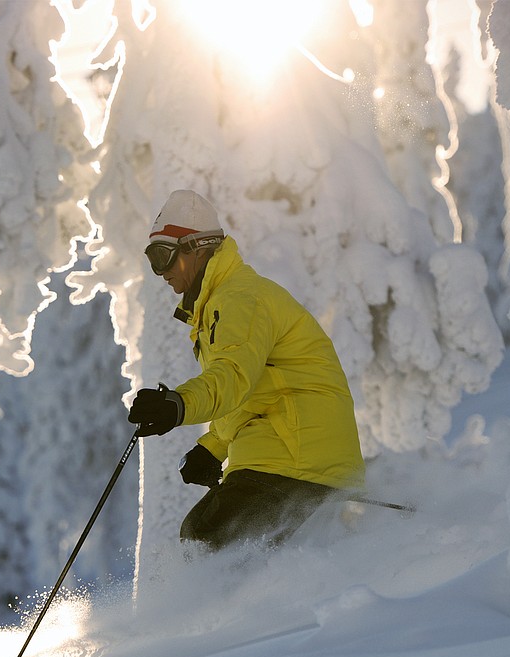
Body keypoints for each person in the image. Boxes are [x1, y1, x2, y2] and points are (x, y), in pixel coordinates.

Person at [128, 189, 365, 551]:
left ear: (197, 248)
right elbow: (251, 392)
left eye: (164, 256)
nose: (160, 272)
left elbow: (233, 377)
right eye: (152, 260)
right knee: (201, 535)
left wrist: (179, 405)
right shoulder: (222, 304)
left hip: (299, 461)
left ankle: (240, 607)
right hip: (291, 455)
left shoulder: (239, 299)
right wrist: (213, 447)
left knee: (205, 536)